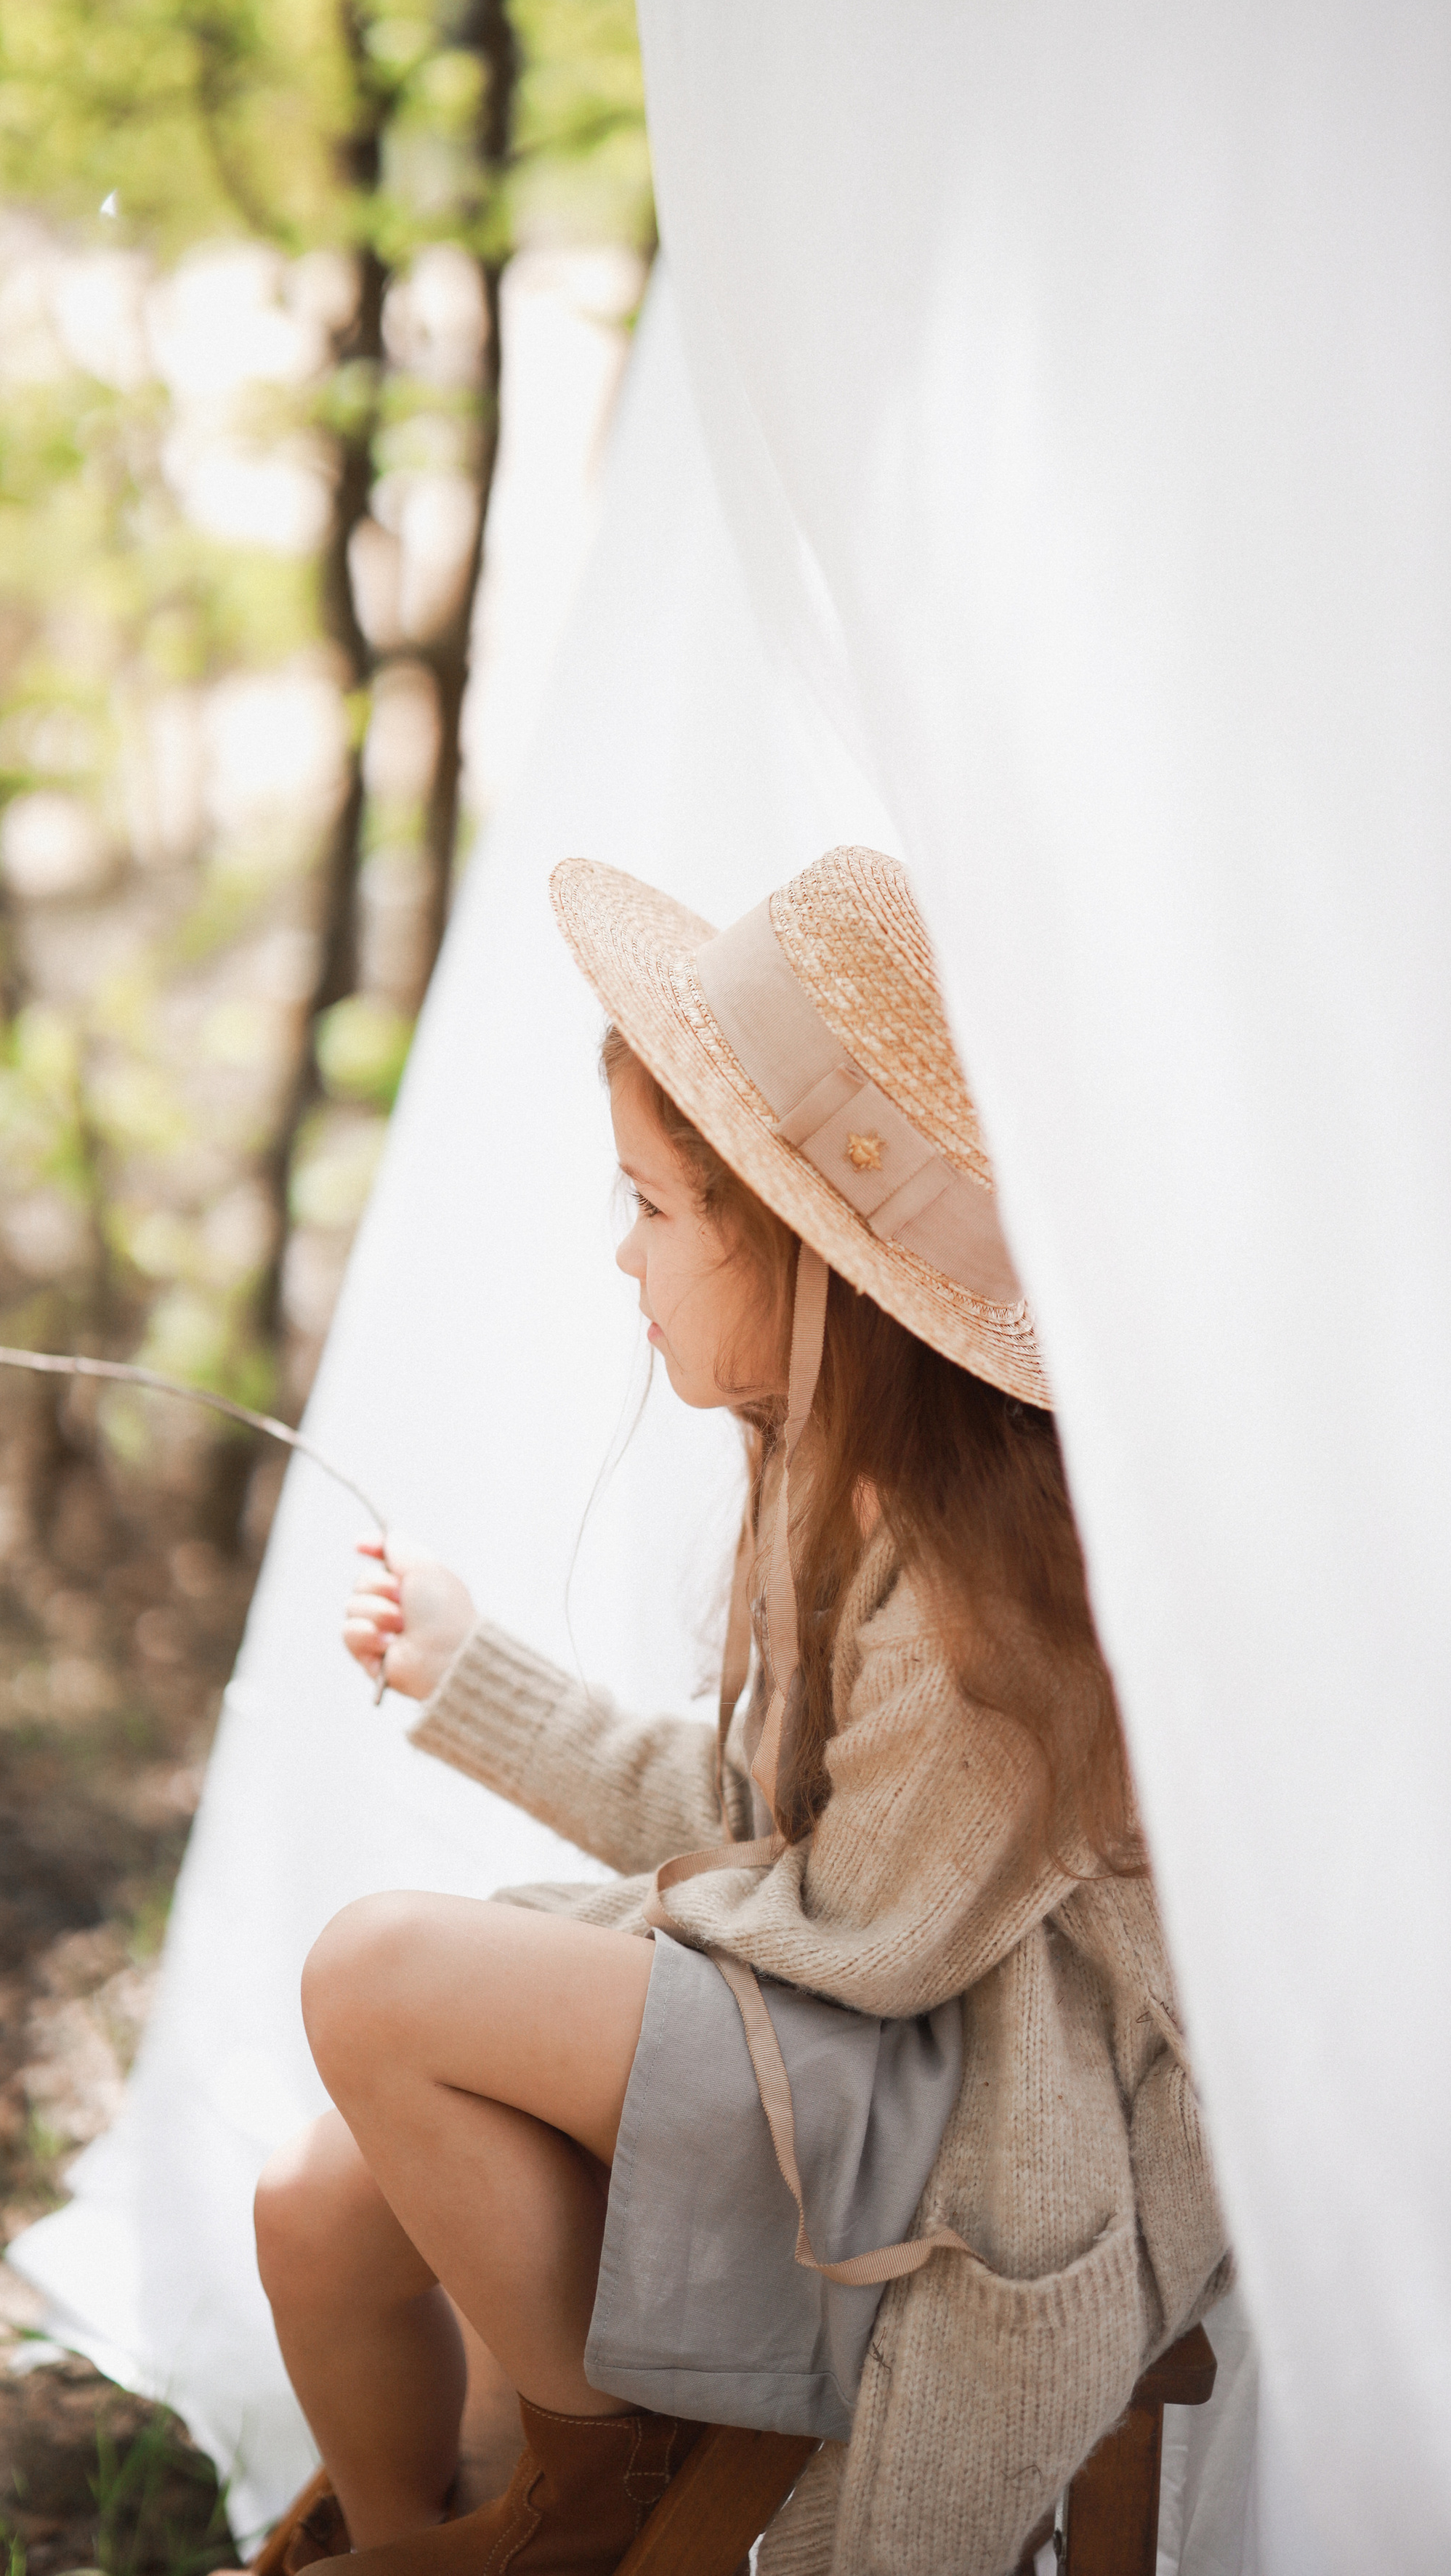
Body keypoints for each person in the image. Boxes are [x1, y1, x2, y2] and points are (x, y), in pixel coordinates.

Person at [251, 848, 1231, 2576]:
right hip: (839, 2032)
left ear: (788, 1251)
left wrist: (596, 1947)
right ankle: (428, 2531)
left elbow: (864, 1935)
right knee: (313, 2204)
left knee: (380, 1971)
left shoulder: (978, 1596)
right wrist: (474, 1675)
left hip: (947, 2108)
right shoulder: (822, 1469)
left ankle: (596, 2499)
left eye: (645, 1202)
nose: (617, 1254)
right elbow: (767, 1831)